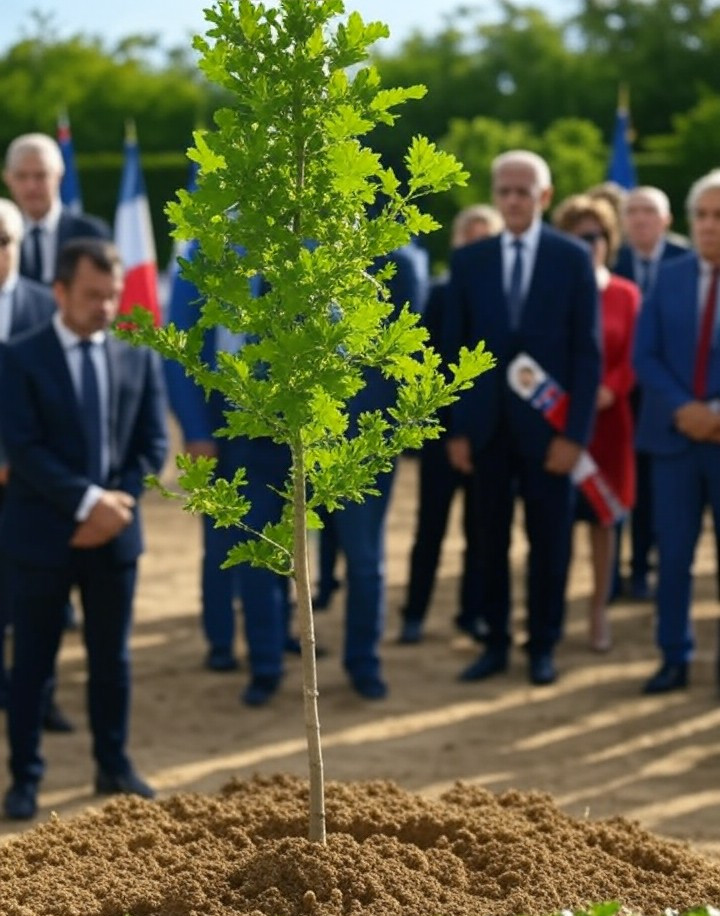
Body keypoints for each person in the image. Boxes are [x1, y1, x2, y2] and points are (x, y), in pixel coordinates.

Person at [0, 238, 168, 820]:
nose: (104, 307)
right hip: (43, 537)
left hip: (114, 537)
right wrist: (88, 503)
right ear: (61, 291)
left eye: (112, 296)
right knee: (34, 666)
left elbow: (152, 444)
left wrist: (114, 506)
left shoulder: (137, 353)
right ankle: (25, 778)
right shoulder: (18, 357)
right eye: (93, 295)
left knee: (111, 659)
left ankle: (113, 764)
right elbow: (22, 448)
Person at [444, 150, 600, 686]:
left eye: (523, 191)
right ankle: (494, 644)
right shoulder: (470, 261)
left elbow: (587, 352)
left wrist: (575, 435)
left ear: (545, 196)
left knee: (550, 542)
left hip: (550, 433)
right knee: (487, 542)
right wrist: (458, 429)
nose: (512, 200)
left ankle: (542, 646)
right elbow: (451, 352)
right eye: (503, 190)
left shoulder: (572, 258)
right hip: (485, 432)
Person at [164, 241, 295, 706]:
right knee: (244, 546)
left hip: (291, 430)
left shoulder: (300, 240)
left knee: (287, 545)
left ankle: (279, 637)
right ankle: (261, 663)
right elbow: (180, 348)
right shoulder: (204, 253)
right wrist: (197, 429)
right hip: (230, 428)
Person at [398, 204, 504, 645]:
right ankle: (414, 613)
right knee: (430, 530)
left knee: (481, 532)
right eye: (469, 238)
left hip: (491, 436)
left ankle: (472, 612)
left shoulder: (507, 298)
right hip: (441, 436)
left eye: (486, 238)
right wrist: (441, 431)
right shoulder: (439, 295)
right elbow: (423, 367)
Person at [633, 168, 720, 695]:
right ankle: (674, 656)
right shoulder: (668, 275)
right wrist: (686, 409)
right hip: (673, 440)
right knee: (674, 557)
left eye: (719, 217)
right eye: (703, 216)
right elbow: (645, 355)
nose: (710, 226)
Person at [553, 194, 640, 651]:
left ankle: (598, 611)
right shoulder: (554, 294)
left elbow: (636, 355)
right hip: (563, 422)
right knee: (557, 520)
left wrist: (612, 387)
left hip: (610, 423)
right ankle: (552, 611)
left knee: (604, 521)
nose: (589, 245)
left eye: (597, 236)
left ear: (609, 240)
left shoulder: (627, 294)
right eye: (578, 237)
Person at [614, 186, 689, 601]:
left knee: (673, 487)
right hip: (626, 396)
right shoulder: (614, 262)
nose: (640, 219)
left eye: (649, 212)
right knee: (635, 484)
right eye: (633, 212)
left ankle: (667, 564)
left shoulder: (689, 261)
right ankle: (636, 568)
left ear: (667, 219)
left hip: (677, 393)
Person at [0, 199, 57, 711]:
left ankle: (43, 700)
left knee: (38, 595)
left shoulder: (46, 306)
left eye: (3, 240)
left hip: (35, 479)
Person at [3, 133, 111, 286]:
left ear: (59, 176)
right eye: (21, 176)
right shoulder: (3, 235)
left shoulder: (91, 235)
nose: (31, 186)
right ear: (8, 178)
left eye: (40, 176)